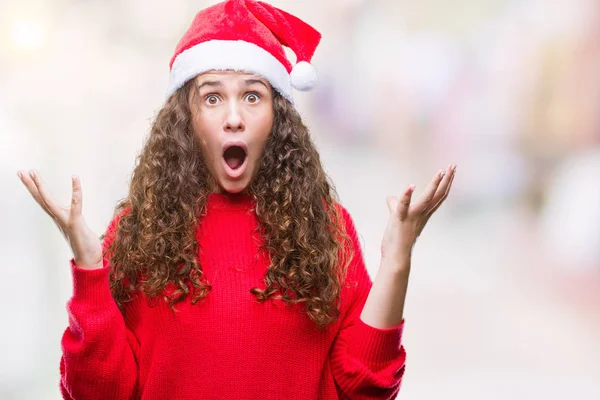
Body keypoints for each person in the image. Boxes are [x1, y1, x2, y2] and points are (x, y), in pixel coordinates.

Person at [17, 0, 456, 399]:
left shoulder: (324, 226)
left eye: (252, 96)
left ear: (277, 118)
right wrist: (91, 268)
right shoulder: (138, 230)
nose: (233, 118)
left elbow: (365, 386)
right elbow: (98, 393)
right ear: (187, 119)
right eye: (212, 97)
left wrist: (397, 256)